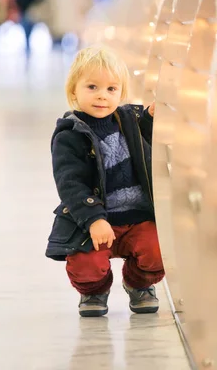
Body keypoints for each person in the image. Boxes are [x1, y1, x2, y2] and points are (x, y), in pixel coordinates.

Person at [45, 46, 164, 317]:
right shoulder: (69, 134)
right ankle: (95, 290)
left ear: (121, 93)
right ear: (74, 91)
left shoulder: (128, 121)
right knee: (85, 264)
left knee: (158, 252)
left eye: (111, 89)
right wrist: (93, 218)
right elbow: (70, 183)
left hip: (137, 216)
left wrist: (153, 115)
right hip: (95, 220)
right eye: (92, 87)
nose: (102, 95)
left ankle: (138, 284)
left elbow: (143, 130)